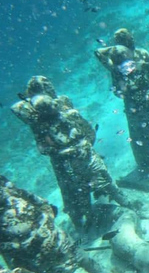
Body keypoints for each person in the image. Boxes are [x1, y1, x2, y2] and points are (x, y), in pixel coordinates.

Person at [12, 75, 134, 230]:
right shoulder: (37, 119)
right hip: (67, 164)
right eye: (46, 88)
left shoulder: (63, 103)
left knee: (107, 182)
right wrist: (67, 152)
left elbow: (83, 127)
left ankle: (127, 206)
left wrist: (85, 145)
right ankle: (87, 223)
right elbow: (43, 147)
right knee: (78, 194)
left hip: (86, 154)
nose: (50, 89)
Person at [95, 28, 149, 175]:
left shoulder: (141, 55)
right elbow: (98, 52)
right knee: (139, 140)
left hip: (147, 102)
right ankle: (147, 167)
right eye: (127, 40)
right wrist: (118, 49)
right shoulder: (115, 62)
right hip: (132, 106)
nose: (131, 41)